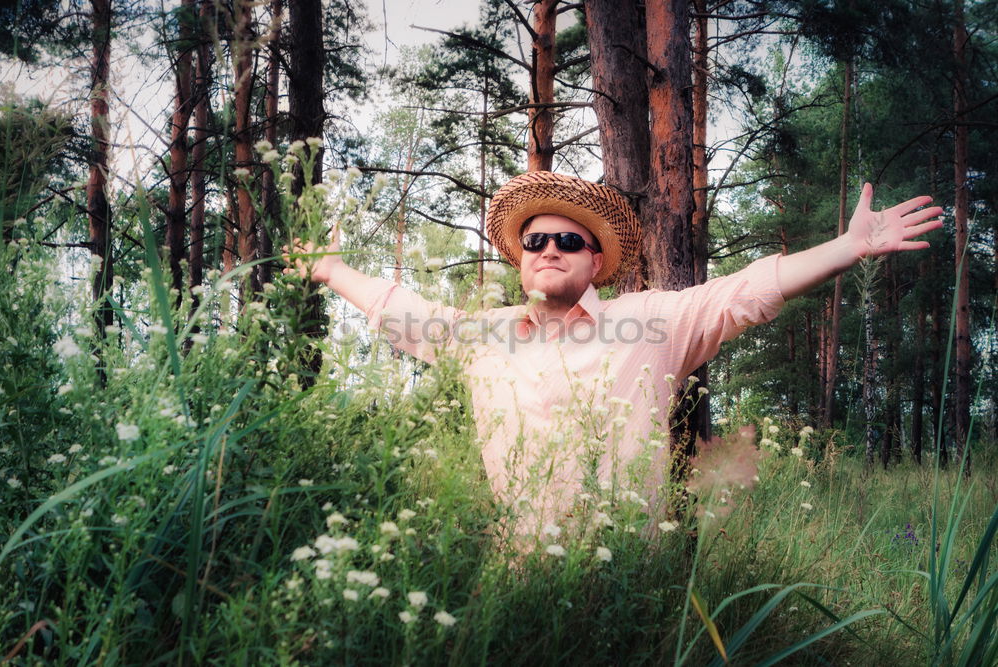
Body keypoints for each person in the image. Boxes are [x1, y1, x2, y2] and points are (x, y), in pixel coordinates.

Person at [284, 171, 942, 539]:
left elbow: (745, 293)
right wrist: (333, 269)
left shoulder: (650, 320)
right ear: (519, 260)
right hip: (515, 588)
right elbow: (401, 309)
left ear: (596, 260)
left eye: (568, 239)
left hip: (627, 585)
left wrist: (847, 248)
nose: (549, 247)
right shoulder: (481, 335)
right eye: (535, 239)